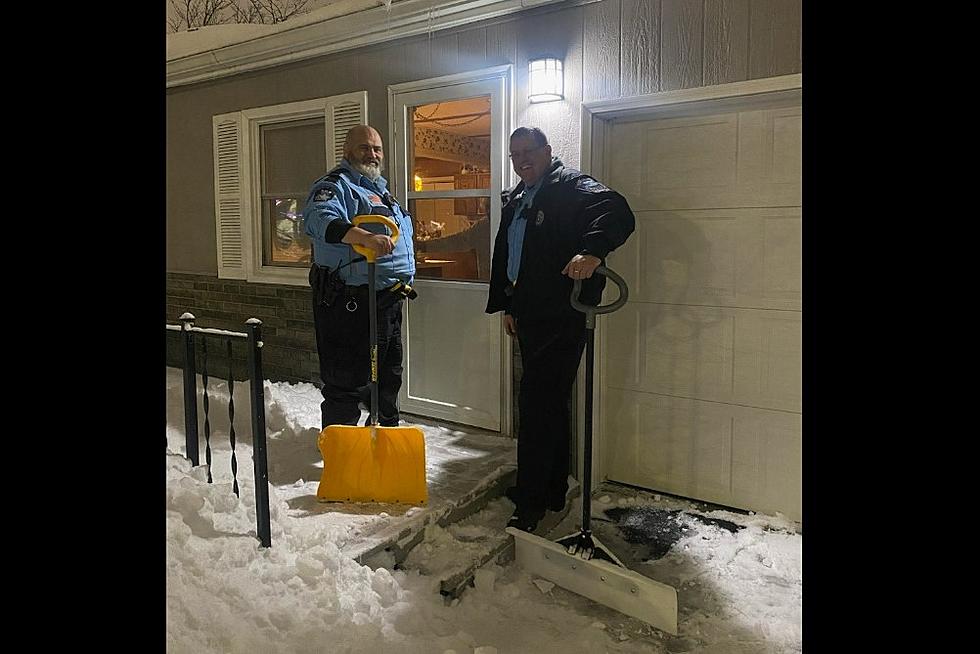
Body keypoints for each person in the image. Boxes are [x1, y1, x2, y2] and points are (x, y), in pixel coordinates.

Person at [486, 127, 635, 533]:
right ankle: (551, 488)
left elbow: (617, 209)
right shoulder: (519, 195)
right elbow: (513, 252)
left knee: (536, 405)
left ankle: (531, 502)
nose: (521, 161)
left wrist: (592, 250)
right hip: (529, 312)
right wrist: (509, 305)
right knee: (549, 403)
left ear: (548, 151)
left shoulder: (572, 185)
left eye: (528, 152)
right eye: (515, 154)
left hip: (562, 313)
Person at [303, 125, 417, 429]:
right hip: (350, 301)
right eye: (365, 147)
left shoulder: (380, 191)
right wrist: (361, 236)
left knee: (388, 374)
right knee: (347, 378)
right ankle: (342, 449)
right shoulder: (335, 186)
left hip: (388, 299)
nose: (372, 154)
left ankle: (384, 435)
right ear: (347, 151)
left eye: (377, 148)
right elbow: (318, 220)